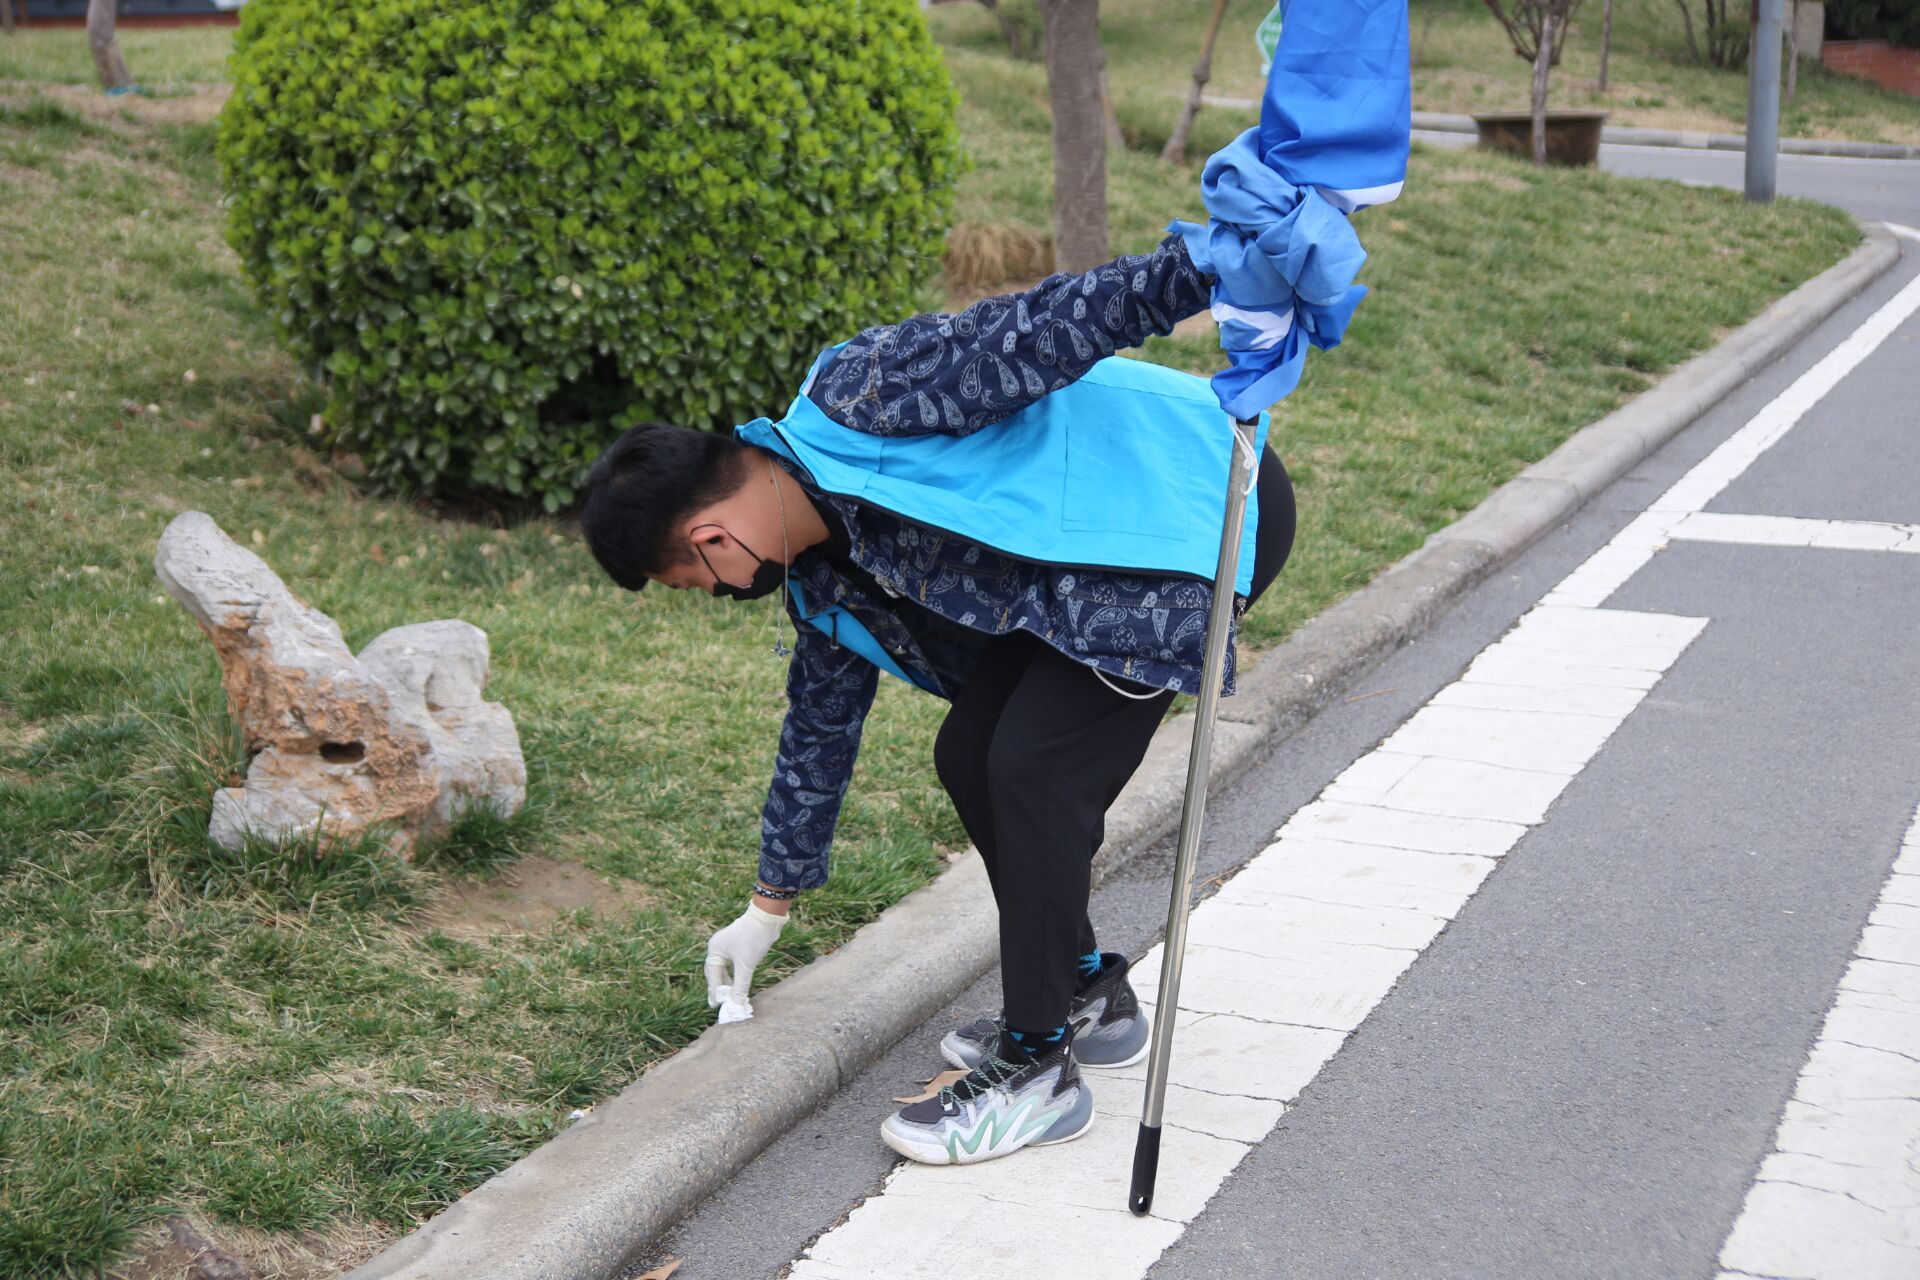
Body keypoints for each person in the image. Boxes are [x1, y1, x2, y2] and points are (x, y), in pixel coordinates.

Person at [579, 232, 1295, 1166]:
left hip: (1193, 503)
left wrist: (1205, 265)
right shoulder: (822, 580)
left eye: (697, 583)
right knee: (968, 755)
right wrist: (768, 906)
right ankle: (1083, 988)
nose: (718, 595)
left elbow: (1043, 328)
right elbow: (817, 738)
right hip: (1077, 585)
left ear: (710, 537)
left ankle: (1037, 1068)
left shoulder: (862, 395)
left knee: (1032, 770)